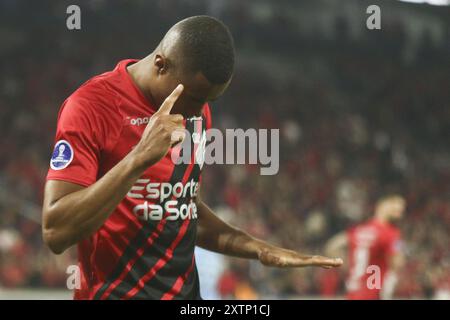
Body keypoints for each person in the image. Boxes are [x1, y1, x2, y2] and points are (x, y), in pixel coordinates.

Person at [42, 15, 342, 300]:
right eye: (196, 98)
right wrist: (138, 159)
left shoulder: (191, 110)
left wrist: (257, 248)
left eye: (209, 101)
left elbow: (182, 209)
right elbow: (56, 231)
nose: (198, 112)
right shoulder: (91, 106)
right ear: (161, 64)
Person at [325, 194, 405, 299]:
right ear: (383, 205)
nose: (400, 210)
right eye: (396, 205)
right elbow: (397, 263)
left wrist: (349, 265)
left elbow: (331, 246)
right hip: (373, 294)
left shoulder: (358, 230)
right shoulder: (391, 233)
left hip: (353, 293)